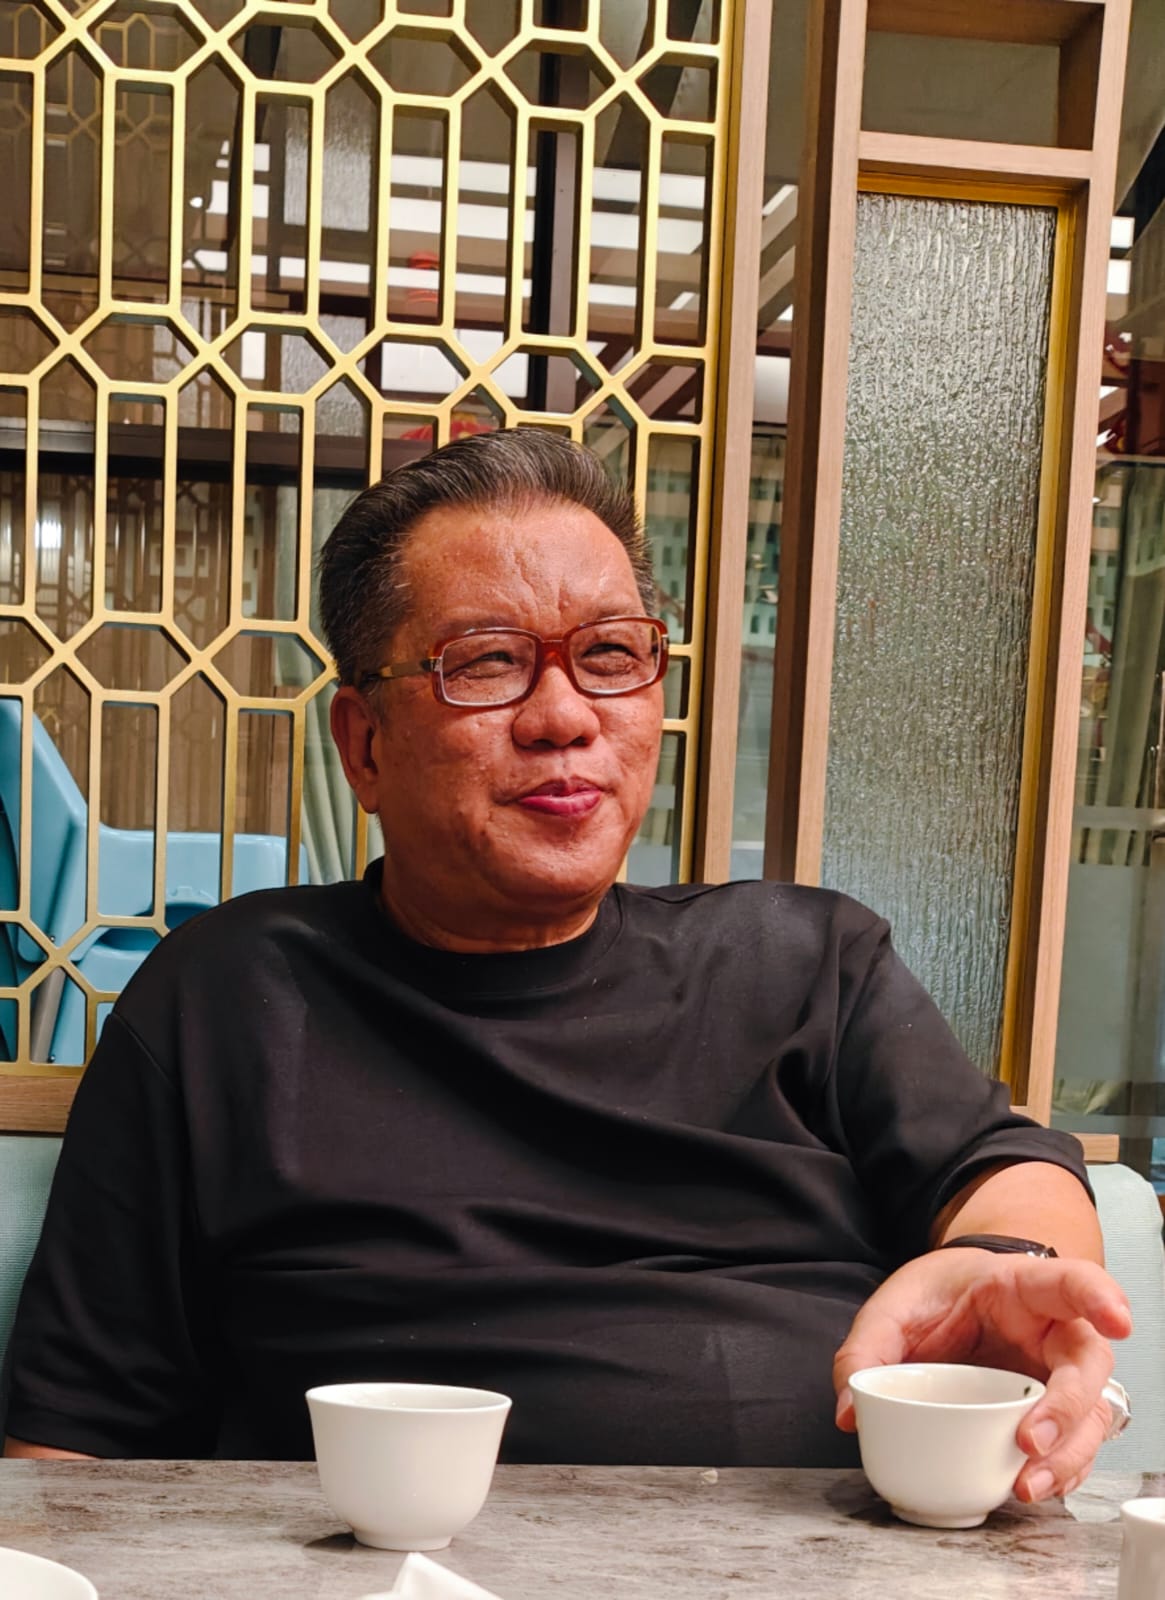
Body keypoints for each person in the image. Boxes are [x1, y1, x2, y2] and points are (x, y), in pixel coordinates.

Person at [3, 431, 1131, 1500]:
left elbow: (1003, 1163)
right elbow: (73, 1445)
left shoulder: (802, 963)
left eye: (609, 656)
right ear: (364, 744)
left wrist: (1001, 1259)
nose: (564, 718)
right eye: (487, 663)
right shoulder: (233, 999)